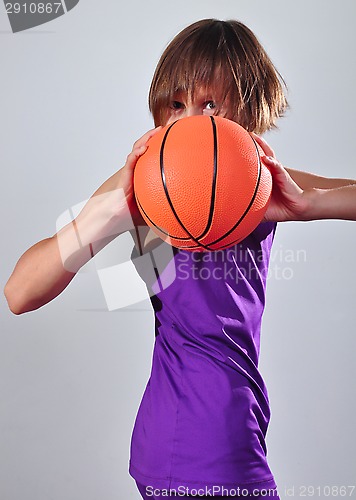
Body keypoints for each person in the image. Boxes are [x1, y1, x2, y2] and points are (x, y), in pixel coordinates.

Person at [4, 18, 356, 500]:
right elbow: (19, 293)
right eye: (175, 105)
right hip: (203, 439)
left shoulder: (262, 181)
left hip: (217, 425)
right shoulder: (147, 185)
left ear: (248, 109)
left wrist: (311, 205)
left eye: (209, 104)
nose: (189, 121)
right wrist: (105, 217)